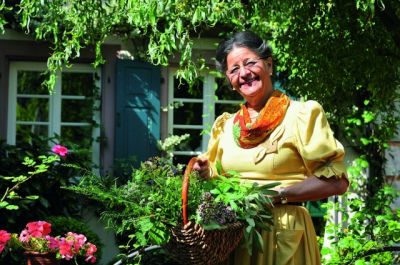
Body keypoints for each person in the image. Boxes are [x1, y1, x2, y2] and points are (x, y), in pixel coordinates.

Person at [193, 31, 349, 265]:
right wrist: (206, 173)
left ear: (268, 65)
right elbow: (218, 179)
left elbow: (337, 181)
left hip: (283, 236)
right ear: (229, 80)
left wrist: (277, 195)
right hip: (233, 239)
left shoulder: (301, 115)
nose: (243, 73)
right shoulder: (224, 126)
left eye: (250, 63)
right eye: (234, 69)